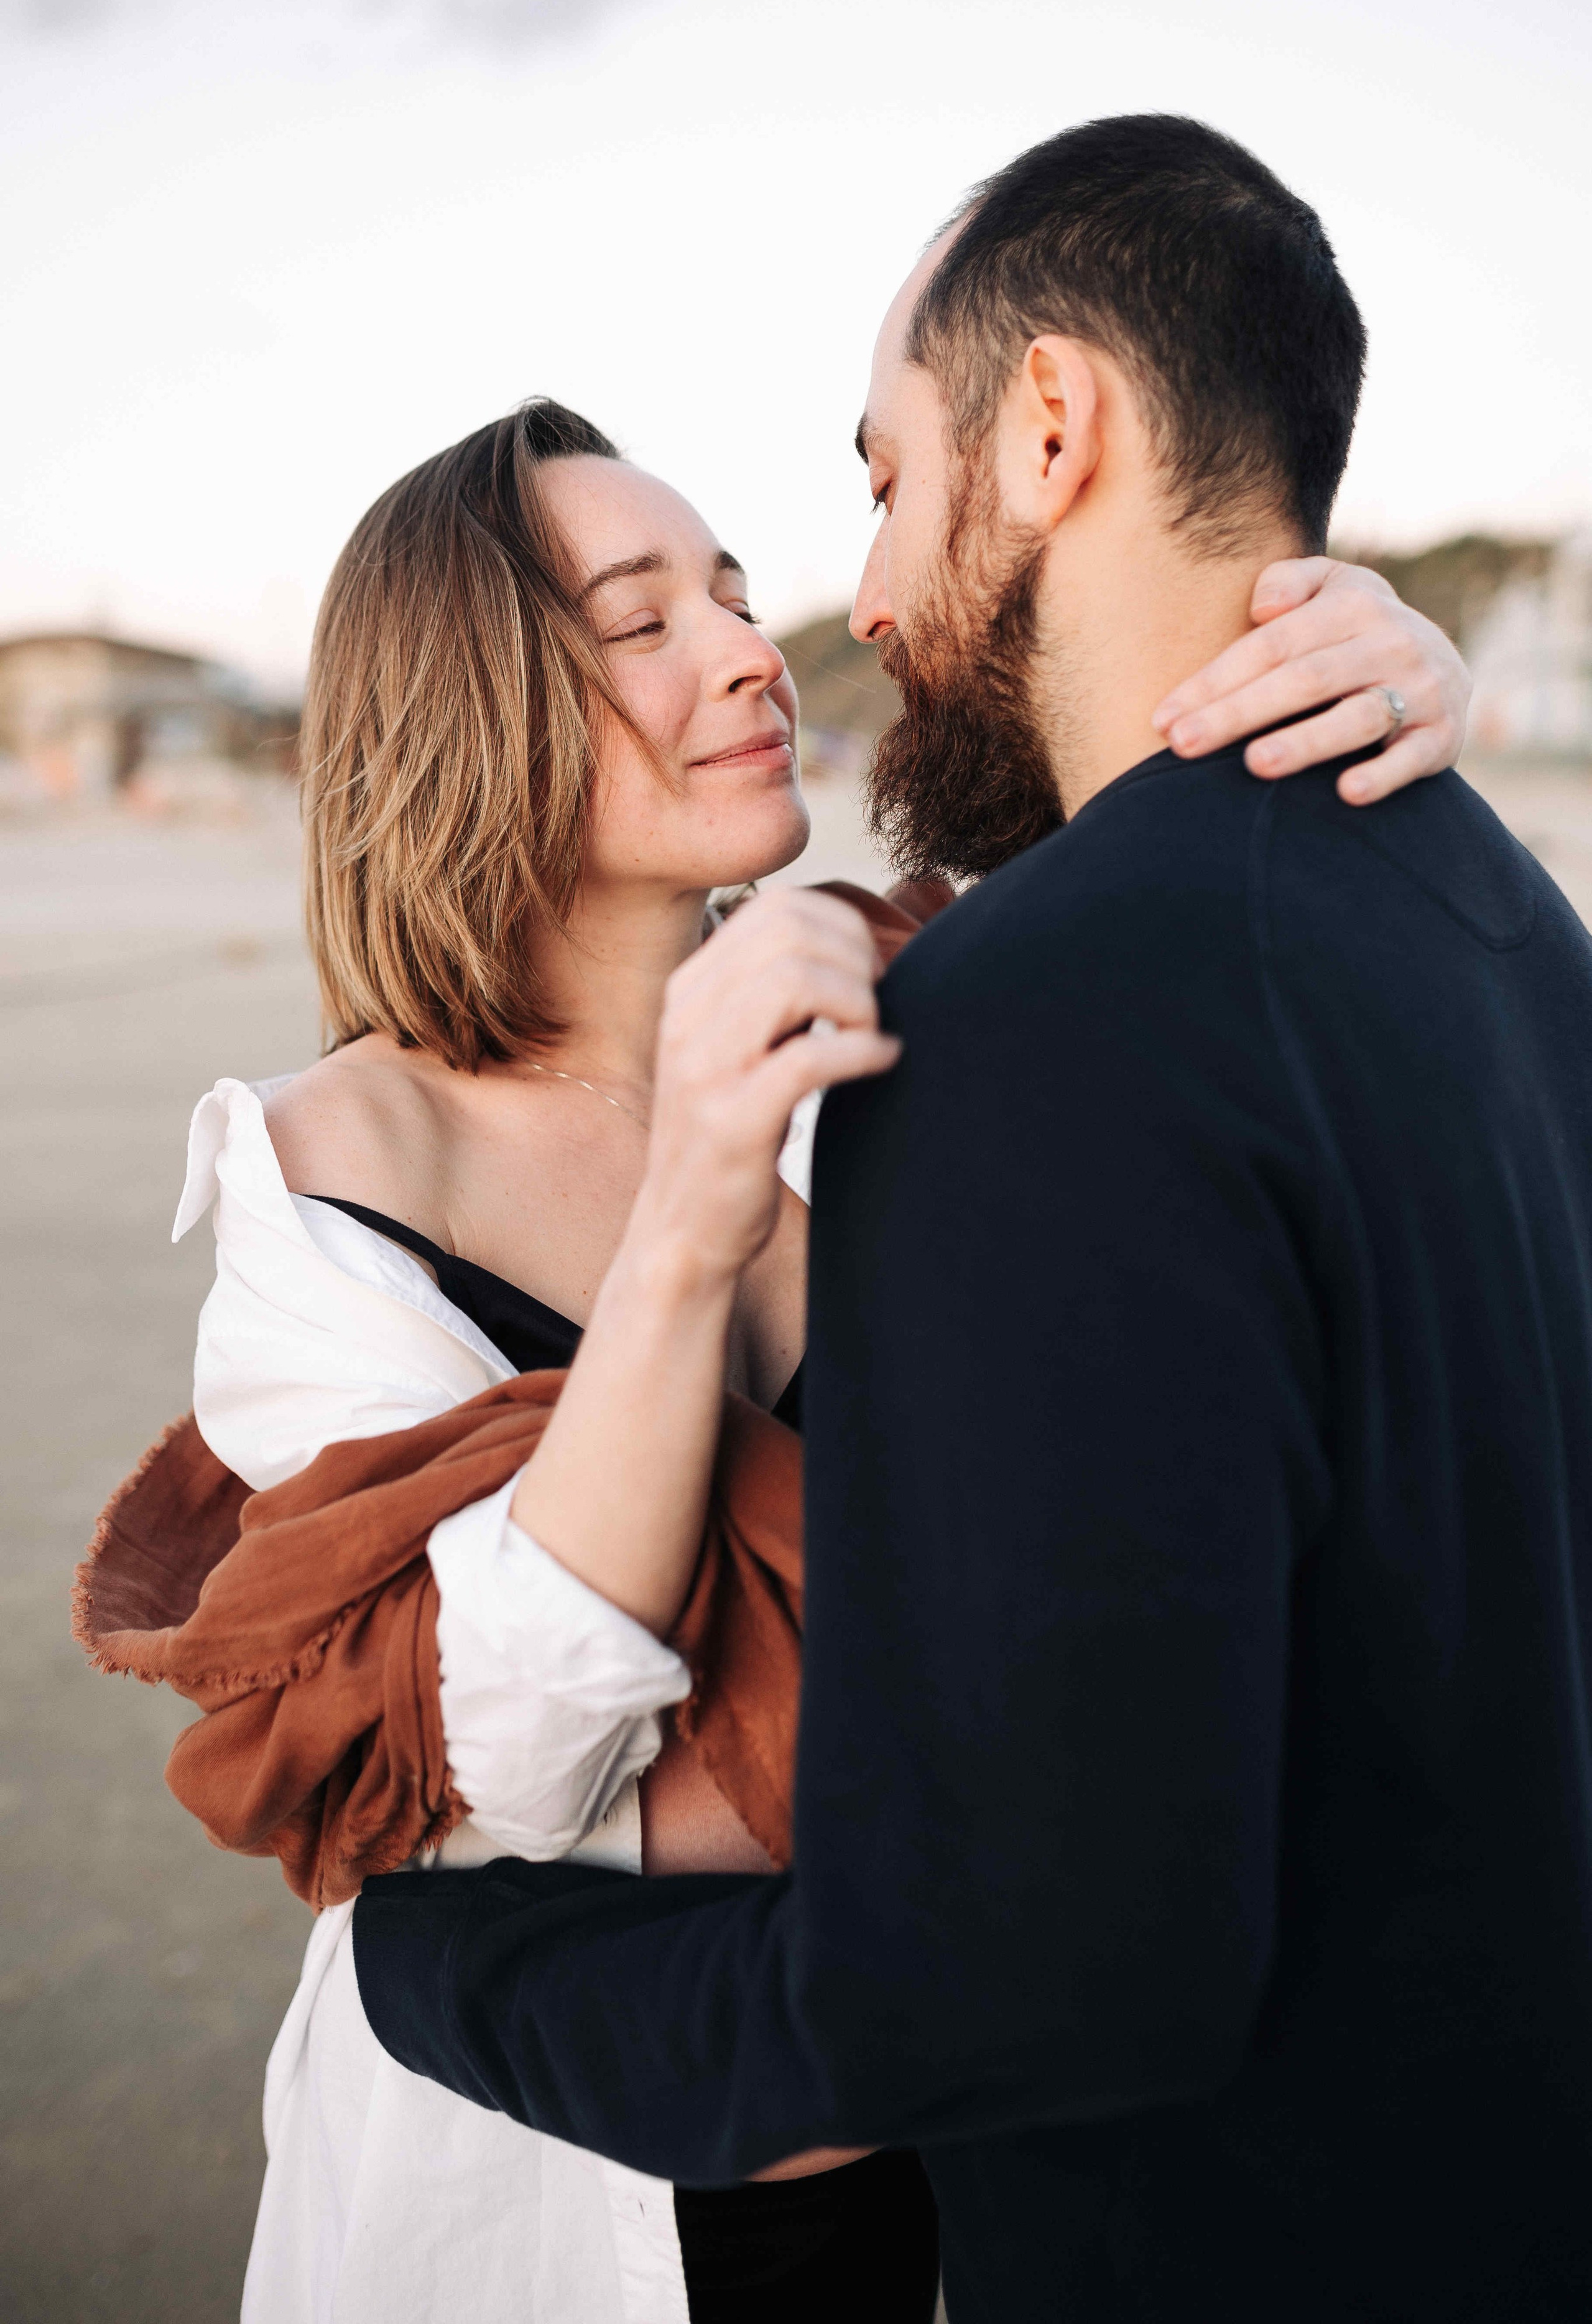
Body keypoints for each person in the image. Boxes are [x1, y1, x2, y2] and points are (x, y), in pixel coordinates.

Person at [348, 116, 1592, 2323]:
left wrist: (456, 1966)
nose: (861, 604)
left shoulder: (1021, 1019)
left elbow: (1011, 1977)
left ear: (1048, 429)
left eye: (884, 481)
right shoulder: (1514, 925)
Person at [171, 382, 1460, 2313]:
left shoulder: (910, 1007)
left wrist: (1381, 667)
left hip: (964, 2153)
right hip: (549, 2193)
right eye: (643, 619)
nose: (746, 650)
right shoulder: (325, 1176)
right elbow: (491, 1764)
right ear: (465, 706)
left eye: (732, 590)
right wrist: (692, 1215)